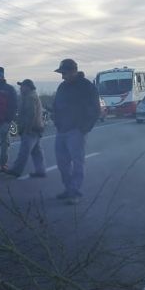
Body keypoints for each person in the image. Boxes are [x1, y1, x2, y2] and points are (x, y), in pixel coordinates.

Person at [52, 59, 100, 205]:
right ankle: (68, 189)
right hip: (62, 130)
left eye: (64, 73)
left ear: (73, 71)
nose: (62, 76)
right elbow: (56, 105)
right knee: (62, 163)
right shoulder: (62, 87)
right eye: (61, 73)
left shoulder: (87, 87)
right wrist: (57, 121)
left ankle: (74, 192)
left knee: (77, 162)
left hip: (76, 131)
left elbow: (95, 110)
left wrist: (84, 129)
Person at [5, 79, 46, 178]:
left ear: (28, 87)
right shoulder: (33, 95)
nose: (20, 88)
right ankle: (41, 171)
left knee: (24, 151)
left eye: (22, 86)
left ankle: (16, 170)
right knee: (37, 152)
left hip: (31, 129)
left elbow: (31, 114)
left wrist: (26, 128)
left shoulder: (30, 97)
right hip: (37, 128)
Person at [0, 66, 18, 172]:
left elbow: (14, 106)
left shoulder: (9, 89)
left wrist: (8, 120)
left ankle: (3, 164)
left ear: (2, 76)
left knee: (5, 144)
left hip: (4, 121)